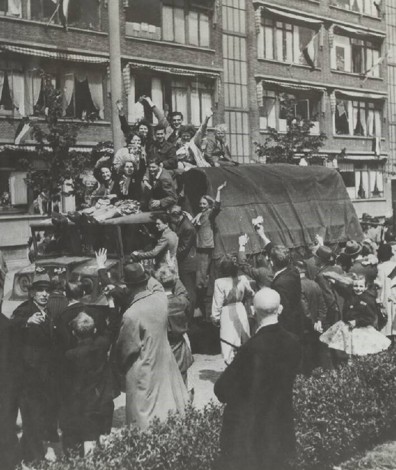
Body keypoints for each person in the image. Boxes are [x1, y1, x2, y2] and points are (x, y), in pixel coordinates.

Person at [214, 288, 302, 470]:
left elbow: (221, 390)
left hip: (251, 432)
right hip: (281, 423)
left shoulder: (251, 348)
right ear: (281, 309)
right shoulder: (293, 341)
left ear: (252, 311)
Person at [116, 263, 189, 429]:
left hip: (143, 367)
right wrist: (144, 269)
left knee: (143, 416)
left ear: (127, 286)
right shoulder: (160, 299)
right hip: (165, 362)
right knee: (166, 407)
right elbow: (156, 284)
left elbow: (126, 349)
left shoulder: (131, 314)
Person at [11, 272, 59, 463]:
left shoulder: (48, 312)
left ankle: (32, 451)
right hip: (28, 375)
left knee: (41, 414)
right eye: (40, 291)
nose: (44, 294)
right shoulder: (24, 310)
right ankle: (33, 458)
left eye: (47, 291)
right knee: (31, 415)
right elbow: (9, 328)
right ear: (32, 293)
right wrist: (26, 323)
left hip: (44, 375)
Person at [61, 312, 114, 456]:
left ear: (73, 333)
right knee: (102, 437)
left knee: (87, 438)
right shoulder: (102, 345)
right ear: (95, 330)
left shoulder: (71, 355)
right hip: (102, 400)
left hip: (83, 404)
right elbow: (111, 330)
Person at [320, 274, 391, 356]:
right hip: (347, 327)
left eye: (361, 286)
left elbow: (370, 318)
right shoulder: (350, 295)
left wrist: (357, 322)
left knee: (358, 351)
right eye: (355, 286)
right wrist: (333, 281)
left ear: (365, 287)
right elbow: (341, 289)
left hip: (361, 329)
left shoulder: (368, 300)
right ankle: (346, 365)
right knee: (345, 350)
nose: (358, 289)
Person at [154, 266, 193, 387]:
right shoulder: (182, 301)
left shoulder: (155, 304)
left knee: (164, 384)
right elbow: (183, 293)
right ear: (174, 282)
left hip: (161, 346)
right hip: (179, 345)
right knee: (182, 380)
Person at [193, 181, 227, 317]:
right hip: (199, 246)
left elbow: (217, 207)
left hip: (205, 247)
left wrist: (219, 190)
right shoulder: (200, 214)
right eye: (200, 204)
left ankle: (201, 305)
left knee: (201, 277)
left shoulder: (209, 214)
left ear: (208, 205)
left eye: (204, 204)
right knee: (200, 274)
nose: (201, 206)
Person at [211, 258, 254, 365]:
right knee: (244, 338)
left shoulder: (219, 282)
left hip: (227, 312)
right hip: (240, 309)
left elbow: (218, 302)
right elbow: (251, 293)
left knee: (228, 341)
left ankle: (231, 368)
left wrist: (215, 317)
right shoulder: (242, 279)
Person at [295, 260, 327, 375]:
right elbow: (322, 305)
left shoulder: (298, 286)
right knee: (317, 351)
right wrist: (319, 320)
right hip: (317, 325)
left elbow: (305, 309)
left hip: (306, 326)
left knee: (306, 354)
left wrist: (312, 323)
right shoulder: (314, 283)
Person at [169, 205, 198, 321]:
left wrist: (172, 255)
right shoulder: (182, 223)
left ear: (177, 216)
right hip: (185, 262)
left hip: (187, 264)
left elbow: (184, 248)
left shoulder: (188, 228)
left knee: (189, 291)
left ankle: (189, 316)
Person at [376, 243, 396, 341]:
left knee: (386, 317)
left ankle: (387, 340)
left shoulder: (380, 268)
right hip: (393, 293)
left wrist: (378, 300)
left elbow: (379, 285)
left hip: (385, 293)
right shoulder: (394, 265)